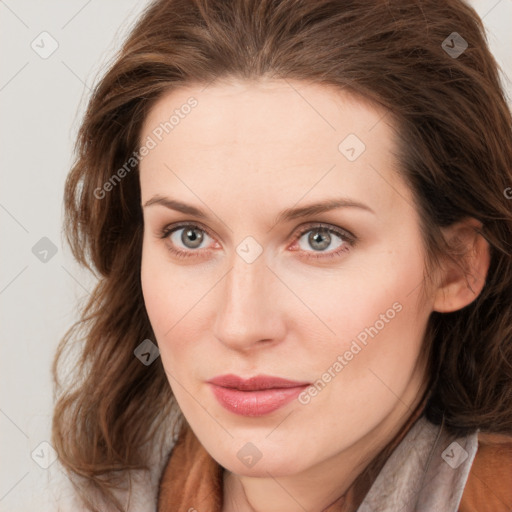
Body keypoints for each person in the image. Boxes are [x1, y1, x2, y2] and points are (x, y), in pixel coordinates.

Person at [51, 0, 512, 511]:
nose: (240, 325)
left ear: (456, 265)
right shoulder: (108, 493)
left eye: (320, 238)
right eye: (190, 235)